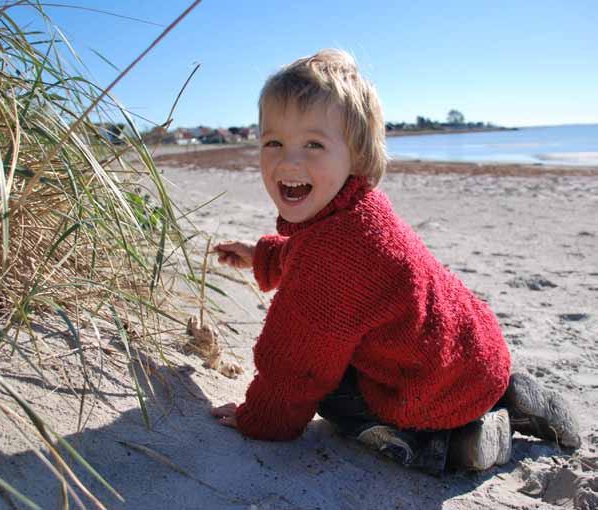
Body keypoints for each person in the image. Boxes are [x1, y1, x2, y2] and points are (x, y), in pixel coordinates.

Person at [210, 49, 580, 474]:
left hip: (429, 388)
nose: (289, 160)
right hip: (478, 353)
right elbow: (325, 265)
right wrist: (264, 256)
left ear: (358, 155)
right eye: (273, 142)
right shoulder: (360, 212)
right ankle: (511, 394)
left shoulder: (330, 254)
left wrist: (260, 420)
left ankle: (454, 444)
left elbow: (295, 367)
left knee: (330, 395)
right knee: (407, 361)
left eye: (313, 144)